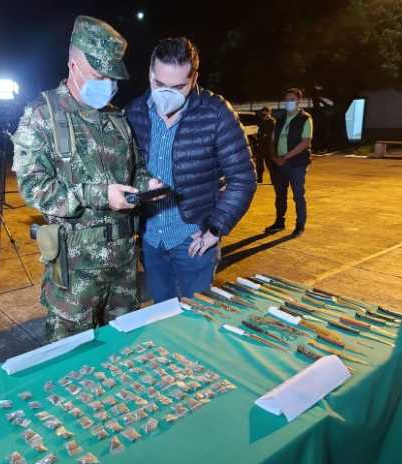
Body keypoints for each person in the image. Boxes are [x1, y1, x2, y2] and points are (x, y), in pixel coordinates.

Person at [11, 15, 161, 342]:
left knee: (122, 347)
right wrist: (98, 194)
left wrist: (148, 184)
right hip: (75, 266)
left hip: (122, 259)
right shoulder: (42, 114)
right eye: (99, 74)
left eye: (112, 76)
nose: (107, 83)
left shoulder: (115, 116)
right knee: (70, 356)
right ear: (73, 65)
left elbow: (136, 167)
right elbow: (34, 188)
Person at [126, 37, 256, 304]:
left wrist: (216, 228)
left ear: (194, 77)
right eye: (159, 84)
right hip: (151, 241)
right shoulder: (135, 112)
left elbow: (242, 179)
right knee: (162, 316)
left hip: (193, 240)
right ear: (150, 73)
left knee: (197, 320)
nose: (166, 94)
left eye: (178, 87)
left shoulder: (216, 113)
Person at [264, 88, 313, 237]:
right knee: (280, 195)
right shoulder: (280, 119)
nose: (288, 102)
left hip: (297, 163)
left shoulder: (305, 119)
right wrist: (274, 157)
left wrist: (284, 157)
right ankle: (279, 222)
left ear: (298, 101)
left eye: (291, 99)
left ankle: (299, 226)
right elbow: (272, 141)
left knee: (298, 195)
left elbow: (305, 142)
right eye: (286, 99)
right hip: (279, 163)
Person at [255, 106, 276, 183]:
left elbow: (271, 134)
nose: (263, 114)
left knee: (270, 164)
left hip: (269, 146)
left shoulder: (272, 122)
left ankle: (274, 180)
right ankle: (259, 179)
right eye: (262, 113)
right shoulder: (261, 121)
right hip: (261, 146)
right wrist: (256, 135)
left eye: (265, 112)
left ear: (269, 112)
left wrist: (263, 136)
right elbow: (260, 132)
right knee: (259, 164)